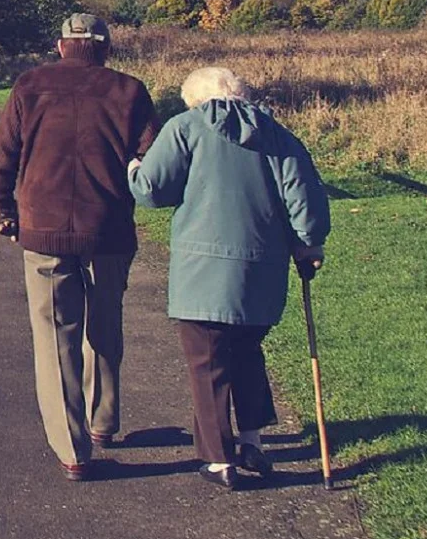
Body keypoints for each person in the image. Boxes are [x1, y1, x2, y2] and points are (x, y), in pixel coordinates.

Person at [127, 67, 330, 490]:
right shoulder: (279, 135)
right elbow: (305, 202)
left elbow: (151, 190)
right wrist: (309, 244)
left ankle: (220, 460)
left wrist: (133, 167)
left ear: (195, 100)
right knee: (246, 352)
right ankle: (252, 441)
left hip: (201, 272)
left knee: (207, 362)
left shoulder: (185, 128)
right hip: (262, 271)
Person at [0, 13, 160, 481]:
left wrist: (3, 208)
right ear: (104, 47)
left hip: (42, 229)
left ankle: (73, 450)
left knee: (55, 337)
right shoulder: (130, 90)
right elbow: (150, 158)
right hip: (108, 229)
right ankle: (103, 420)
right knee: (105, 323)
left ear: (62, 46)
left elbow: (1, 153)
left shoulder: (30, 85)